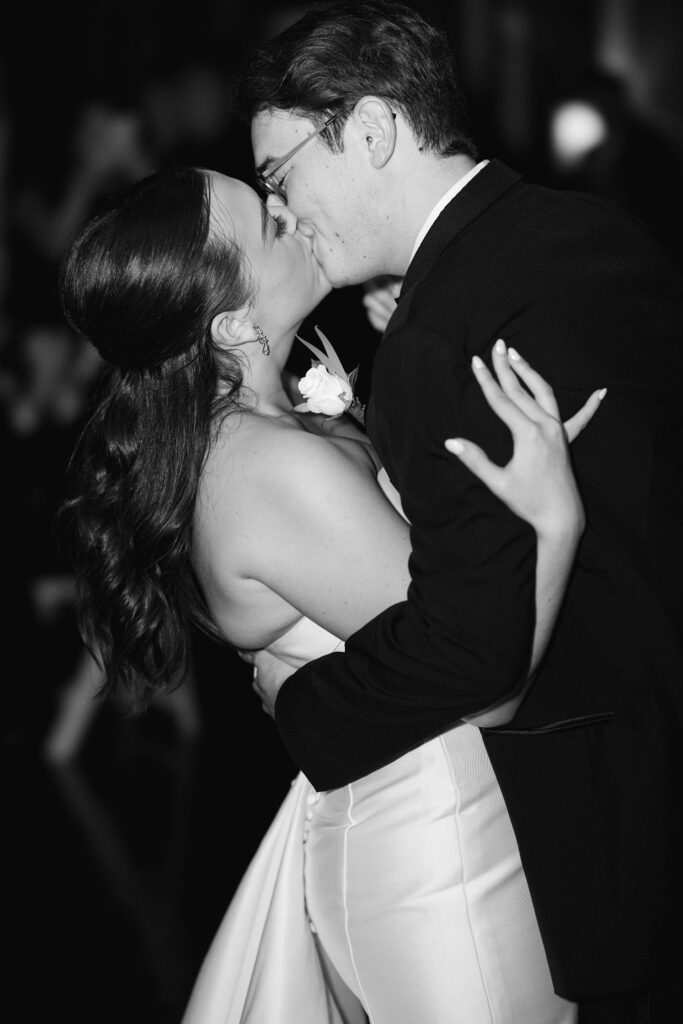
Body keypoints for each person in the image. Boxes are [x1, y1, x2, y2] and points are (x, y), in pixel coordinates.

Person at [58, 163, 601, 1023]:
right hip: (436, 849)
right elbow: (485, 678)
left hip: (439, 817)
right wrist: (555, 520)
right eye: (267, 223)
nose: (286, 208)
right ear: (234, 321)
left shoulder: (265, 426)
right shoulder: (267, 468)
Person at [233, 1, 683, 1020]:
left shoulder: (437, 346)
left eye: (280, 175)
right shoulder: (578, 224)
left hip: (612, 814)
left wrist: (299, 705)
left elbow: (473, 653)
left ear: (372, 129)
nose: (286, 209)